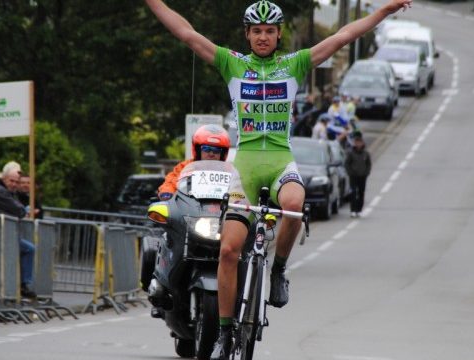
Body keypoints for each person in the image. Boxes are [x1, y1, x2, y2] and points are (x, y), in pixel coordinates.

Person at [145, 0, 412, 357]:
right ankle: (224, 333)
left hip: (280, 159)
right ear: (248, 34)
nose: (263, 37)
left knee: (293, 206)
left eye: (270, 31)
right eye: (257, 31)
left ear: (278, 34)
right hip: (246, 167)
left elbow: (344, 36)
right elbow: (187, 34)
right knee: (227, 250)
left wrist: (383, 12)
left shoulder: (294, 64)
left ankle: (278, 271)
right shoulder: (233, 63)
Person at [0, 164, 36, 299]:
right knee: (27, 250)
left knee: (27, 250)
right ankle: (22, 286)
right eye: (11, 181)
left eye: (16, 182)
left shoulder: (9, 192)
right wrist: (23, 210)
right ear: (4, 178)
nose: (14, 184)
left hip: (7, 235)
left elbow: (19, 208)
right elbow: (19, 210)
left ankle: (21, 286)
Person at [157, 124, 231, 200]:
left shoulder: (229, 170)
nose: (211, 154)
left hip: (220, 208)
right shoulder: (185, 166)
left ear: (223, 154)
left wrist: (238, 199)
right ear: (198, 150)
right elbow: (171, 181)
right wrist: (167, 192)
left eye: (216, 150)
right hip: (191, 207)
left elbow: (237, 188)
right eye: (206, 149)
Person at [344, 132, 372, 218]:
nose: (358, 144)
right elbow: (347, 164)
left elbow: (368, 164)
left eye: (360, 142)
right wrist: (350, 172)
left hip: (362, 177)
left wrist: (366, 173)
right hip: (353, 176)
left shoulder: (365, 153)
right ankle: (353, 210)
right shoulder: (351, 153)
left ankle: (359, 210)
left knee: (361, 193)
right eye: (357, 142)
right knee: (353, 193)